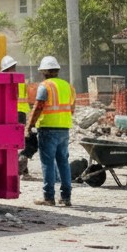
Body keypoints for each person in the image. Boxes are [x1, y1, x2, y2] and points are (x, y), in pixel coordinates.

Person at [26, 55, 75, 207]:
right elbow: (71, 108)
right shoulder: (68, 86)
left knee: (47, 163)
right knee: (63, 162)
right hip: (64, 129)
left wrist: (29, 125)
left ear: (44, 71)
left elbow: (38, 106)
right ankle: (66, 198)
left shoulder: (45, 86)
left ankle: (48, 197)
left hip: (48, 129)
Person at [2, 55, 36, 177]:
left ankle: (18, 170)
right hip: (21, 113)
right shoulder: (21, 79)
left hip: (12, 114)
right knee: (20, 142)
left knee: (14, 143)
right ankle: (23, 171)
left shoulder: (5, 80)